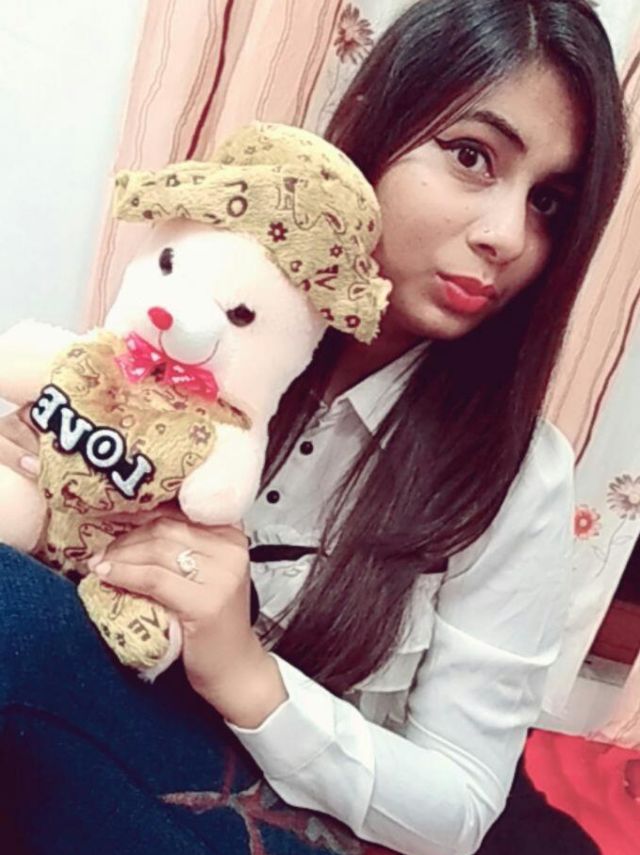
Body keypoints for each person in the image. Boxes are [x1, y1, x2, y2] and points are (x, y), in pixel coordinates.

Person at [0, 1, 627, 853]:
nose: (507, 235)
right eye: (473, 156)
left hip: (280, 814)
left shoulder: (518, 475)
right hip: (103, 711)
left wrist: (245, 673)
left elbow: (459, 808)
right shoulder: (216, 305)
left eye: (549, 202)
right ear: (380, 122)